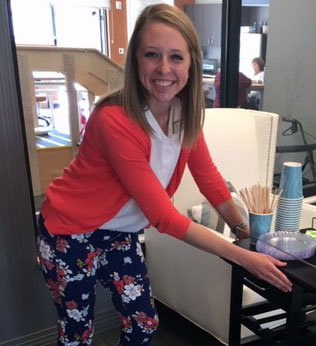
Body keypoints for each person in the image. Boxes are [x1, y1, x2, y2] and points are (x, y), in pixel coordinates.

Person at [35, 4, 291, 346]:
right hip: (69, 232)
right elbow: (163, 218)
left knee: (143, 323)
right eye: (152, 55)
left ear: (191, 64)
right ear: (136, 61)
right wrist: (243, 256)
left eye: (176, 57)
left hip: (118, 234)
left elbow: (209, 178)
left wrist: (243, 230)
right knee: (77, 334)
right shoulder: (114, 119)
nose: (164, 69)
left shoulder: (186, 113)